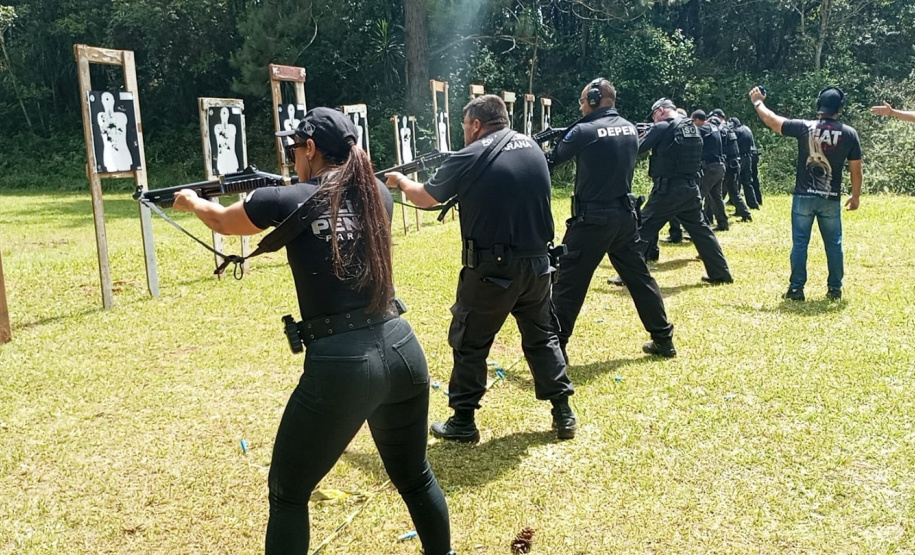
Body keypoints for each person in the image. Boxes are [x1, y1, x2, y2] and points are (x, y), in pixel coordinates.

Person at [172, 107, 455, 555]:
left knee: (288, 492)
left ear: (310, 149)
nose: (291, 158)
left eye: (295, 149)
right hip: (401, 347)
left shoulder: (284, 200)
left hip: (342, 364)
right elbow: (332, 195)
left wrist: (190, 201)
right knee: (415, 475)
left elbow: (223, 221)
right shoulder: (378, 194)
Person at [387, 94, 576, 443]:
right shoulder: (533, 147)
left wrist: (400, 181)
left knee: (470, 341)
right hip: (538, 265)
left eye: (464, 126)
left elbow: (426, 197)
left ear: (476, 124)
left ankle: (463, 420)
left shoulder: (471, 154)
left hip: (493, 269)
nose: (464, 133)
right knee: (542, 337)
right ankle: (563, 411)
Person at [547, 78, 676, 359]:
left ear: (594, 99)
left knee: (568, 283)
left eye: (583, 101)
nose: (581, 107)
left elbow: (551, 160)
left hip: (592, 219)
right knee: (640, 279)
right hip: (624, 218)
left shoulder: (584, 130)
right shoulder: (630, 128)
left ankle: (555, 348)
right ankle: (663, 339)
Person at [750, 86, 862, 301]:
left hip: (803, 196)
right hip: (830, 198)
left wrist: (757, 102)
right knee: (834, 244)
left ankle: (796, 289)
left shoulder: (805, 127)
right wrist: (855, 196)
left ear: (818, 105)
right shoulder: (849, 133)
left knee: (800, 243)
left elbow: (772, 120)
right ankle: (835, 289)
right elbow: (856, 169)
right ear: (840, 107)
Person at [633, 99, 734, 285]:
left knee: (642, 228)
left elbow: (636, 149)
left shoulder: (662, 127)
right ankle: (720, 273)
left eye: (654, 115)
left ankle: (628, 274)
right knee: (702, 231)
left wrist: (634, 136)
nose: (653, 120)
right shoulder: (691, 126)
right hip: (690, 187)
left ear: (661, 111)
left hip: (668, 189)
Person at [711, 109, 753, 221]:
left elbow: (719, 149)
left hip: (727, 165)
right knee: (734, 192)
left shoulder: (720, 130)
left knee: (714, 193)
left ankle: (708, 218)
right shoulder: (730, 129)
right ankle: (746, 214)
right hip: (735, 164)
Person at [693, 109, 729, 231]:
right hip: (719, 166)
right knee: (716, 197)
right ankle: (723, 223)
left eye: (693, 121)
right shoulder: (714, 128)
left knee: (697, 197)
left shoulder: (703, 129)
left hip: (709, 168)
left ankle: (700, 227)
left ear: (698, 120)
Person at [729, 117, 761, 209]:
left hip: (740, 158)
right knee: (748, 183)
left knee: (736, 183)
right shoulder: (747, 129)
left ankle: (739, 207)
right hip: (748, 157)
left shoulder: (736, 131)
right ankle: (753, 204)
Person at [97, 91, 133, 172]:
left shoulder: (121, 116)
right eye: (106, 100)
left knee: (125, 167)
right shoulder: (101, 116)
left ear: (113, 101)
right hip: (109, 152)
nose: (108, 103)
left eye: (109, 100)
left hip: (123, 150)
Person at [213, 106, 239, 175]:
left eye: (225, 113)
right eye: (223, 113)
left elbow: (230, 137)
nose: (224, 115)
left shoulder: (232, 127)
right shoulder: (217, 127)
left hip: (231, 156)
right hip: (222, 157)